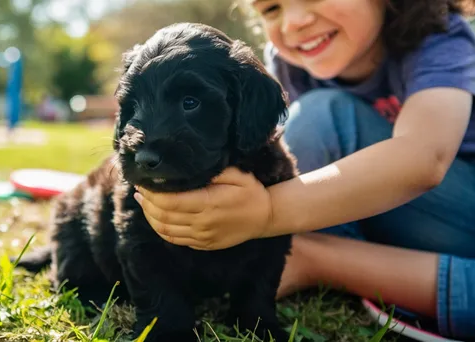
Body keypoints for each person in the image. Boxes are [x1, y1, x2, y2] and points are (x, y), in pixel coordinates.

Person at [132, 0, 475, 339]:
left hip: (461, 218)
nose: (293, 21)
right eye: (271, 9)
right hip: (389, 227)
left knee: (322, 116)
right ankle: (324, 257)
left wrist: (269, 213)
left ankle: (311, 255)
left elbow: (424, 158)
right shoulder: (290, 64)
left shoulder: (439, 39)